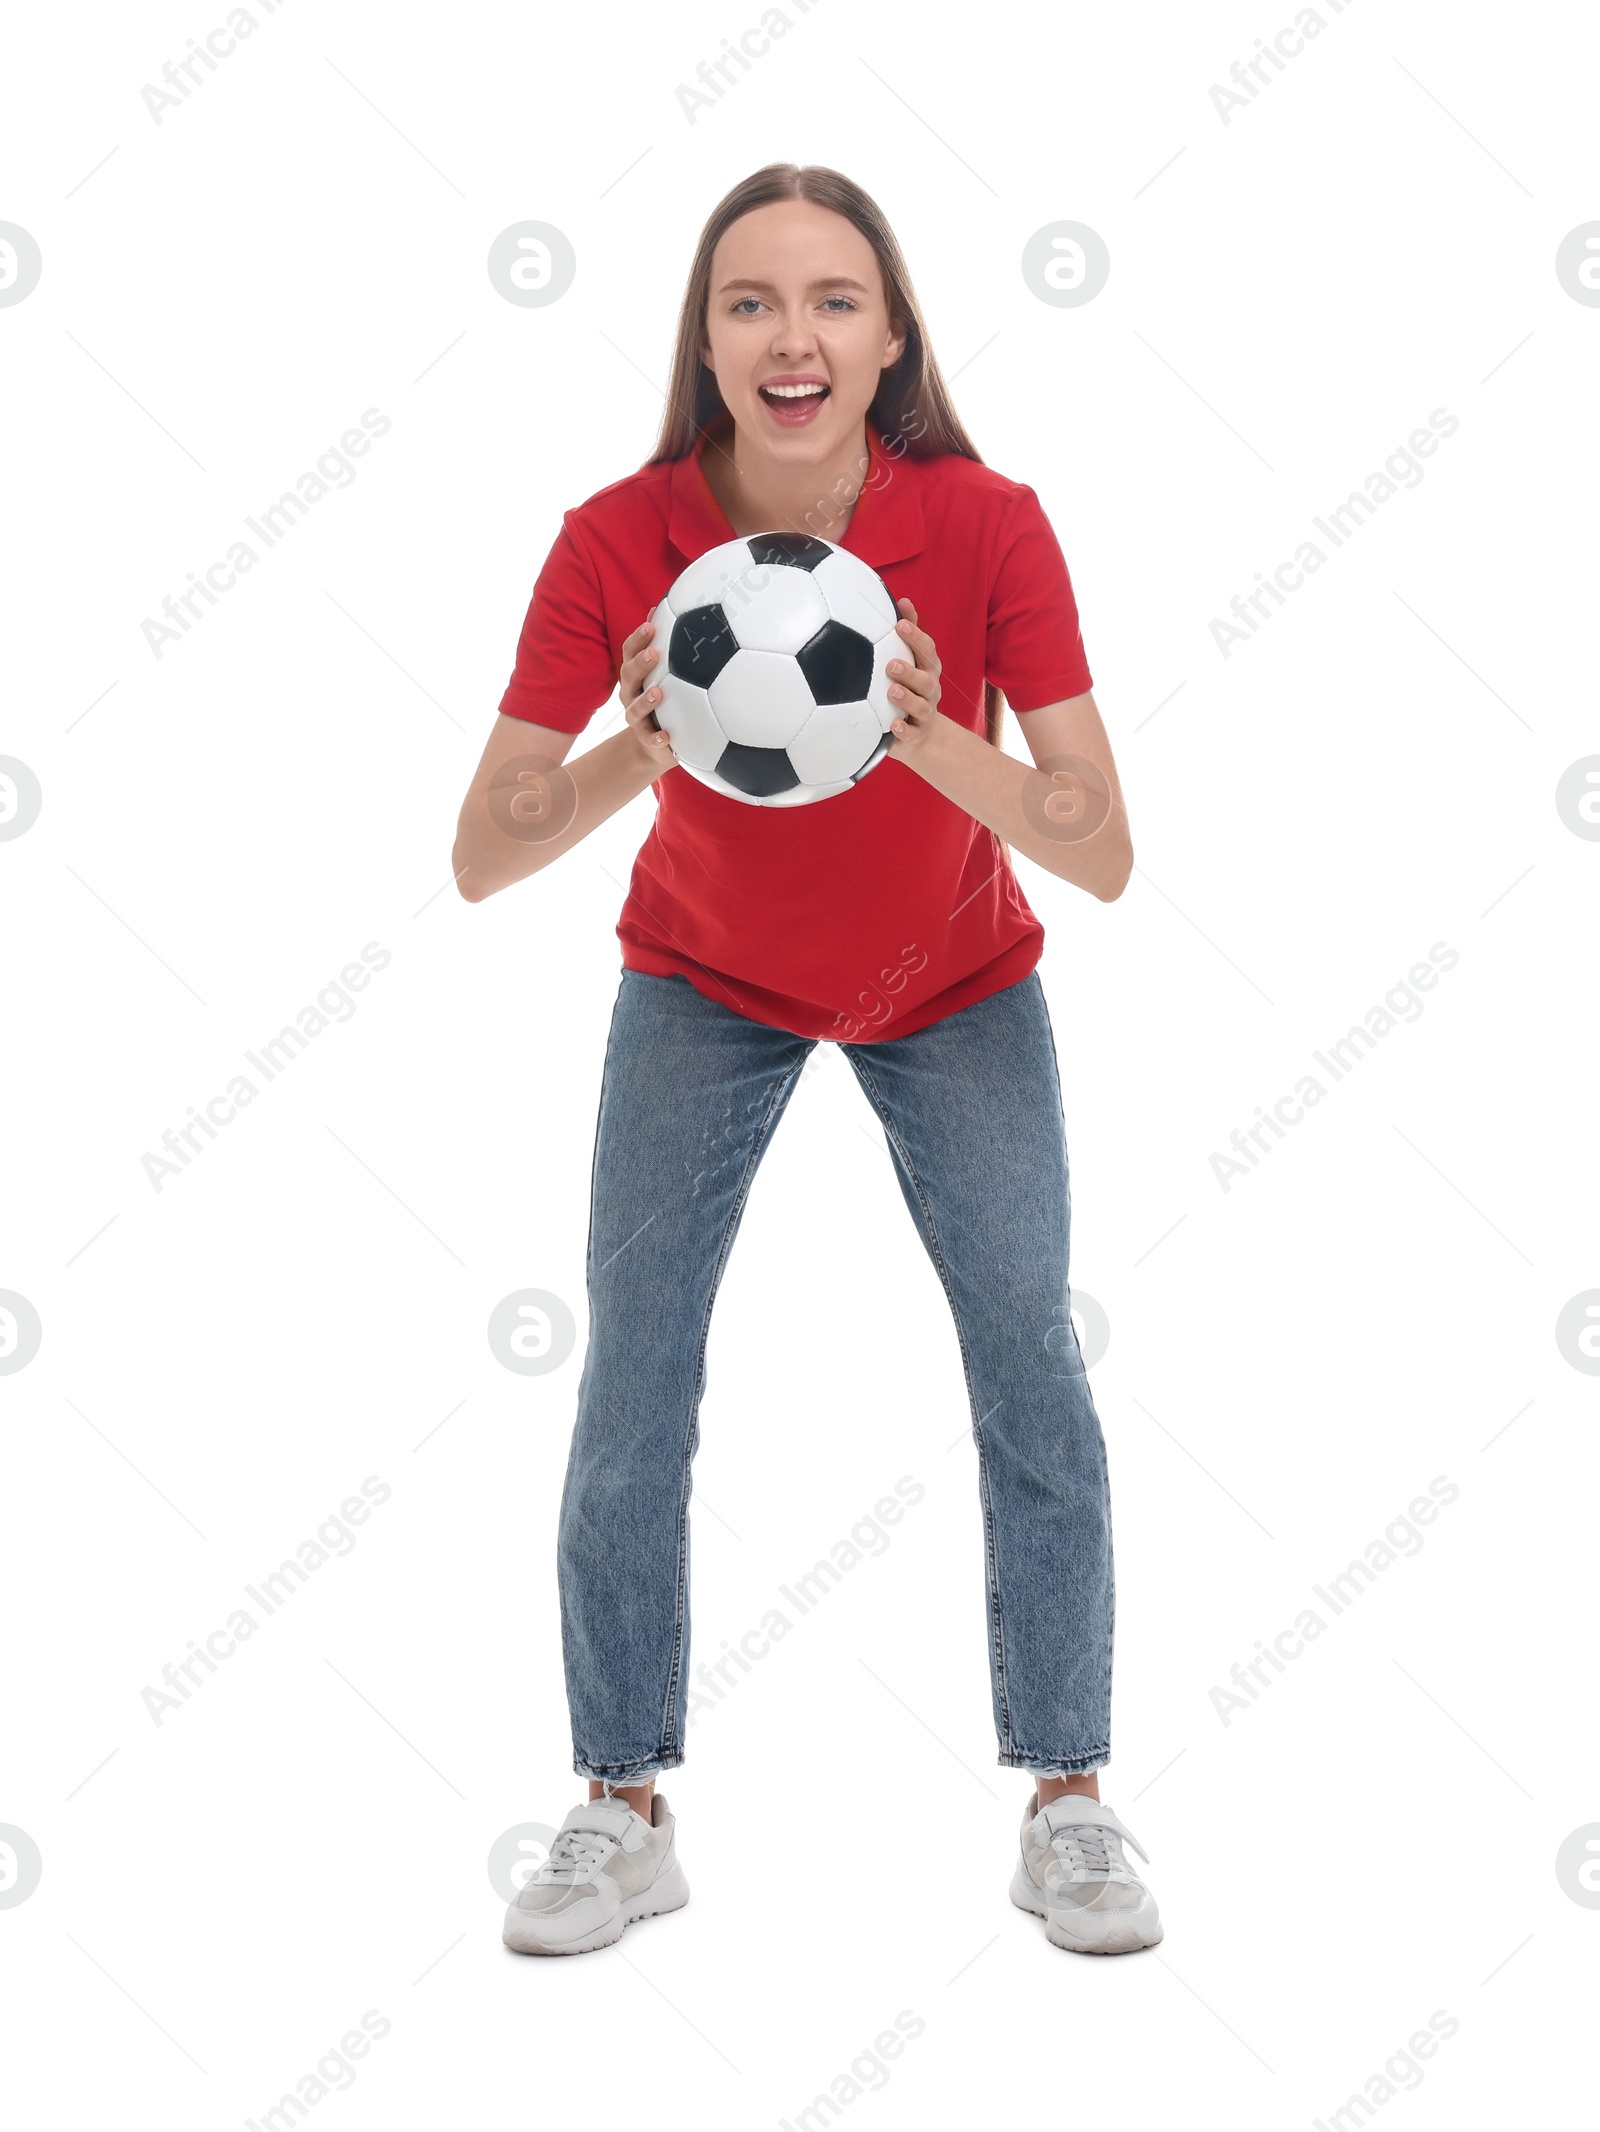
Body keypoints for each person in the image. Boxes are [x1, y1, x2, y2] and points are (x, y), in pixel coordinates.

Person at [452, 162, 1164, 1959]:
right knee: (637, 1379)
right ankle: (620, 1802)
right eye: (752, 303)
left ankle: (1069, 1796)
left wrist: (917, 731)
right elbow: (484, 848)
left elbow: (1097, 840)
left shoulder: (991, 524)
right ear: (706, 339)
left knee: (1028, 1351)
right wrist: (644, 737)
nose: (794, 337)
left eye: (834, 301)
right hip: (705, 977)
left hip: (956, 981)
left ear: (893, 334)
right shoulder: (617, 535)